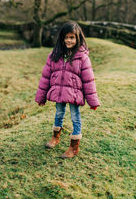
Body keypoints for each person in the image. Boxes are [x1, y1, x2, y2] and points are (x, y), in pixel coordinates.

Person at [35, 21, 100, 158]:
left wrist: (93, 102)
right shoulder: (54, 55)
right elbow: (46, 77)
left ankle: (74, 146)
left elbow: (89, 80)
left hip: (74, 94)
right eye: (66, 37)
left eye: (72, 37)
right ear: (61, 38)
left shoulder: (82, 57)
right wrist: (41, 97)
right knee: (59, 113)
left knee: (75, 116)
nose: (68, 40)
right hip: (59, 92)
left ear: (77, 38)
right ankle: (55, 137)